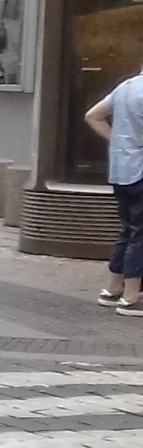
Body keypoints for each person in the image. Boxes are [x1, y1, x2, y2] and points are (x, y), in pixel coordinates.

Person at [84, 70, 143, 313]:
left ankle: (113, 288)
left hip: (121, 171)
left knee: (128, 229)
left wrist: (118, 142)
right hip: (141, 171)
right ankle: (131, 298)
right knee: (140, 235)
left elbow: (92, 116)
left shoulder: (127, 86)